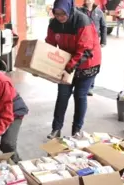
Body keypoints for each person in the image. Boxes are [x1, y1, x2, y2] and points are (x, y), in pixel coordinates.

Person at [45, 0, 101, 139]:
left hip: (87, 62)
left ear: (69, 9)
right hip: (68, 63)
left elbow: (85, 50)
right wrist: (42, 64)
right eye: (56, 14)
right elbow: (49, 45)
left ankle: (76, 131)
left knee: (79, 96)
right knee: (62, 95)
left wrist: (69, 68)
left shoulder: (82, 21)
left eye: (62, 14)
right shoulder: (54, 24)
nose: (59, 17)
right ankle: (56, 129)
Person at [79, 0, 107, 96]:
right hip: (82, 41)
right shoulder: (80, 11)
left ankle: (90, 87)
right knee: (82, 63)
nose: (88, 1)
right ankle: (81, 85)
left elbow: (103, 26)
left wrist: (103, 41)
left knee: (93, 64)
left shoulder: (99, 12)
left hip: (94, 43)